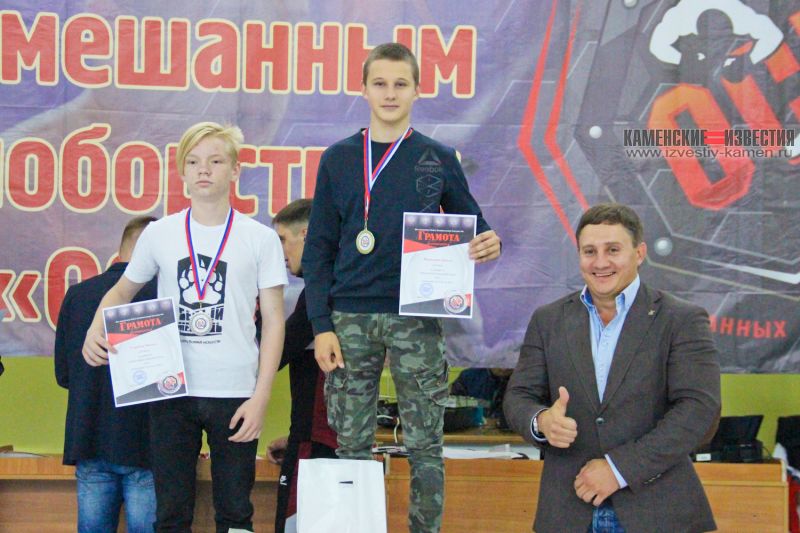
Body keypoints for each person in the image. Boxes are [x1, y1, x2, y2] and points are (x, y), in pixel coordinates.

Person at [302, 42, 502, 533]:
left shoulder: (437, 158)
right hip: (349, 318)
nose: (389, 93)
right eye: (380, 83)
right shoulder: (338, 159)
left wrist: (488, 242)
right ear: (363, 89)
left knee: (425, 444)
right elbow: (318, 249)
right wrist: (321, 326)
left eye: (400, 84)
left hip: (417, 315)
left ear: (417, 90)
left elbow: (475, 227)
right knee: (350, 444)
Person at [82, 122, 287, 533]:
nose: (203, 170)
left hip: (235, 392)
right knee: (171, 515)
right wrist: (94, 328)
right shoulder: (160, 233)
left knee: (235, 513)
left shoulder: (259, 238)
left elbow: (274, 321)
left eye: (215, 161)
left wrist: (261, 395)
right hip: (170, 390)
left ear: (235, 170)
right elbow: (121, 291)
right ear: (182, 171)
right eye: (193, 162)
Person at [503, 203, 721, 533]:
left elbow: (699, 410)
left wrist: (619, 469)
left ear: (639, 253)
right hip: (567, 512)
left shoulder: (681, 319)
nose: (600, 262)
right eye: (590, 251)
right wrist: (541, 421)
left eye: (613, 250)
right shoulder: (548, 320)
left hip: (657, 513)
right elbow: (519, 397)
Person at [55, 216, 157, 533]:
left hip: (89, 438)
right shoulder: (164, 296)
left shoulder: (77, 295)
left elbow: (63, 375)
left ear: (122, 248)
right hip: (147, 444)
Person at [266, 198, 338, 533]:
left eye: (282, 239)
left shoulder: (323, 291)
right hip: (320, 437)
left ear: (307, 235)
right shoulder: (335, 283)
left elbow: (277, 353)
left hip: (317, 443)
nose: (280, 252)